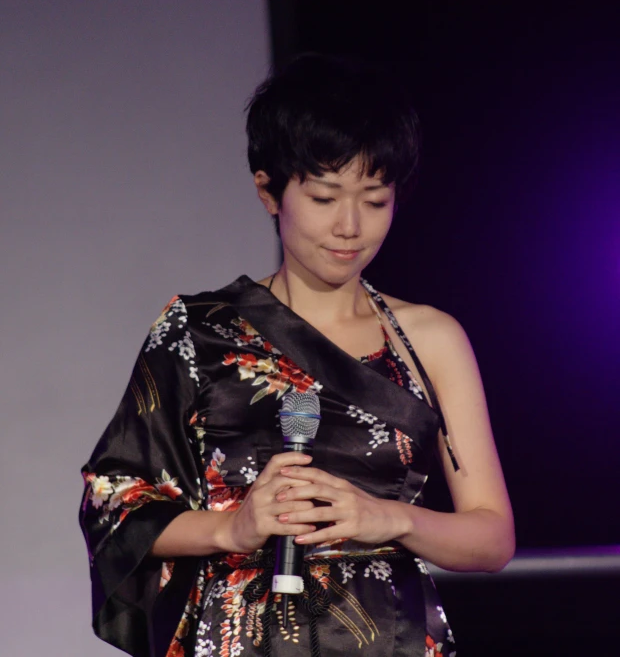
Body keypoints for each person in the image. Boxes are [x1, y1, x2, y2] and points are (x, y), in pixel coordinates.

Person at [79, 54, 514, 657]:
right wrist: (233, 527)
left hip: (389, 638)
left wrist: (392, 519)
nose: (350, 225)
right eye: (325, 196)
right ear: (269, 192)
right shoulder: (198, 332)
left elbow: (491, 536)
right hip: (238, 638)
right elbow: (114, 500)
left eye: (375, 199)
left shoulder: (430, 339)